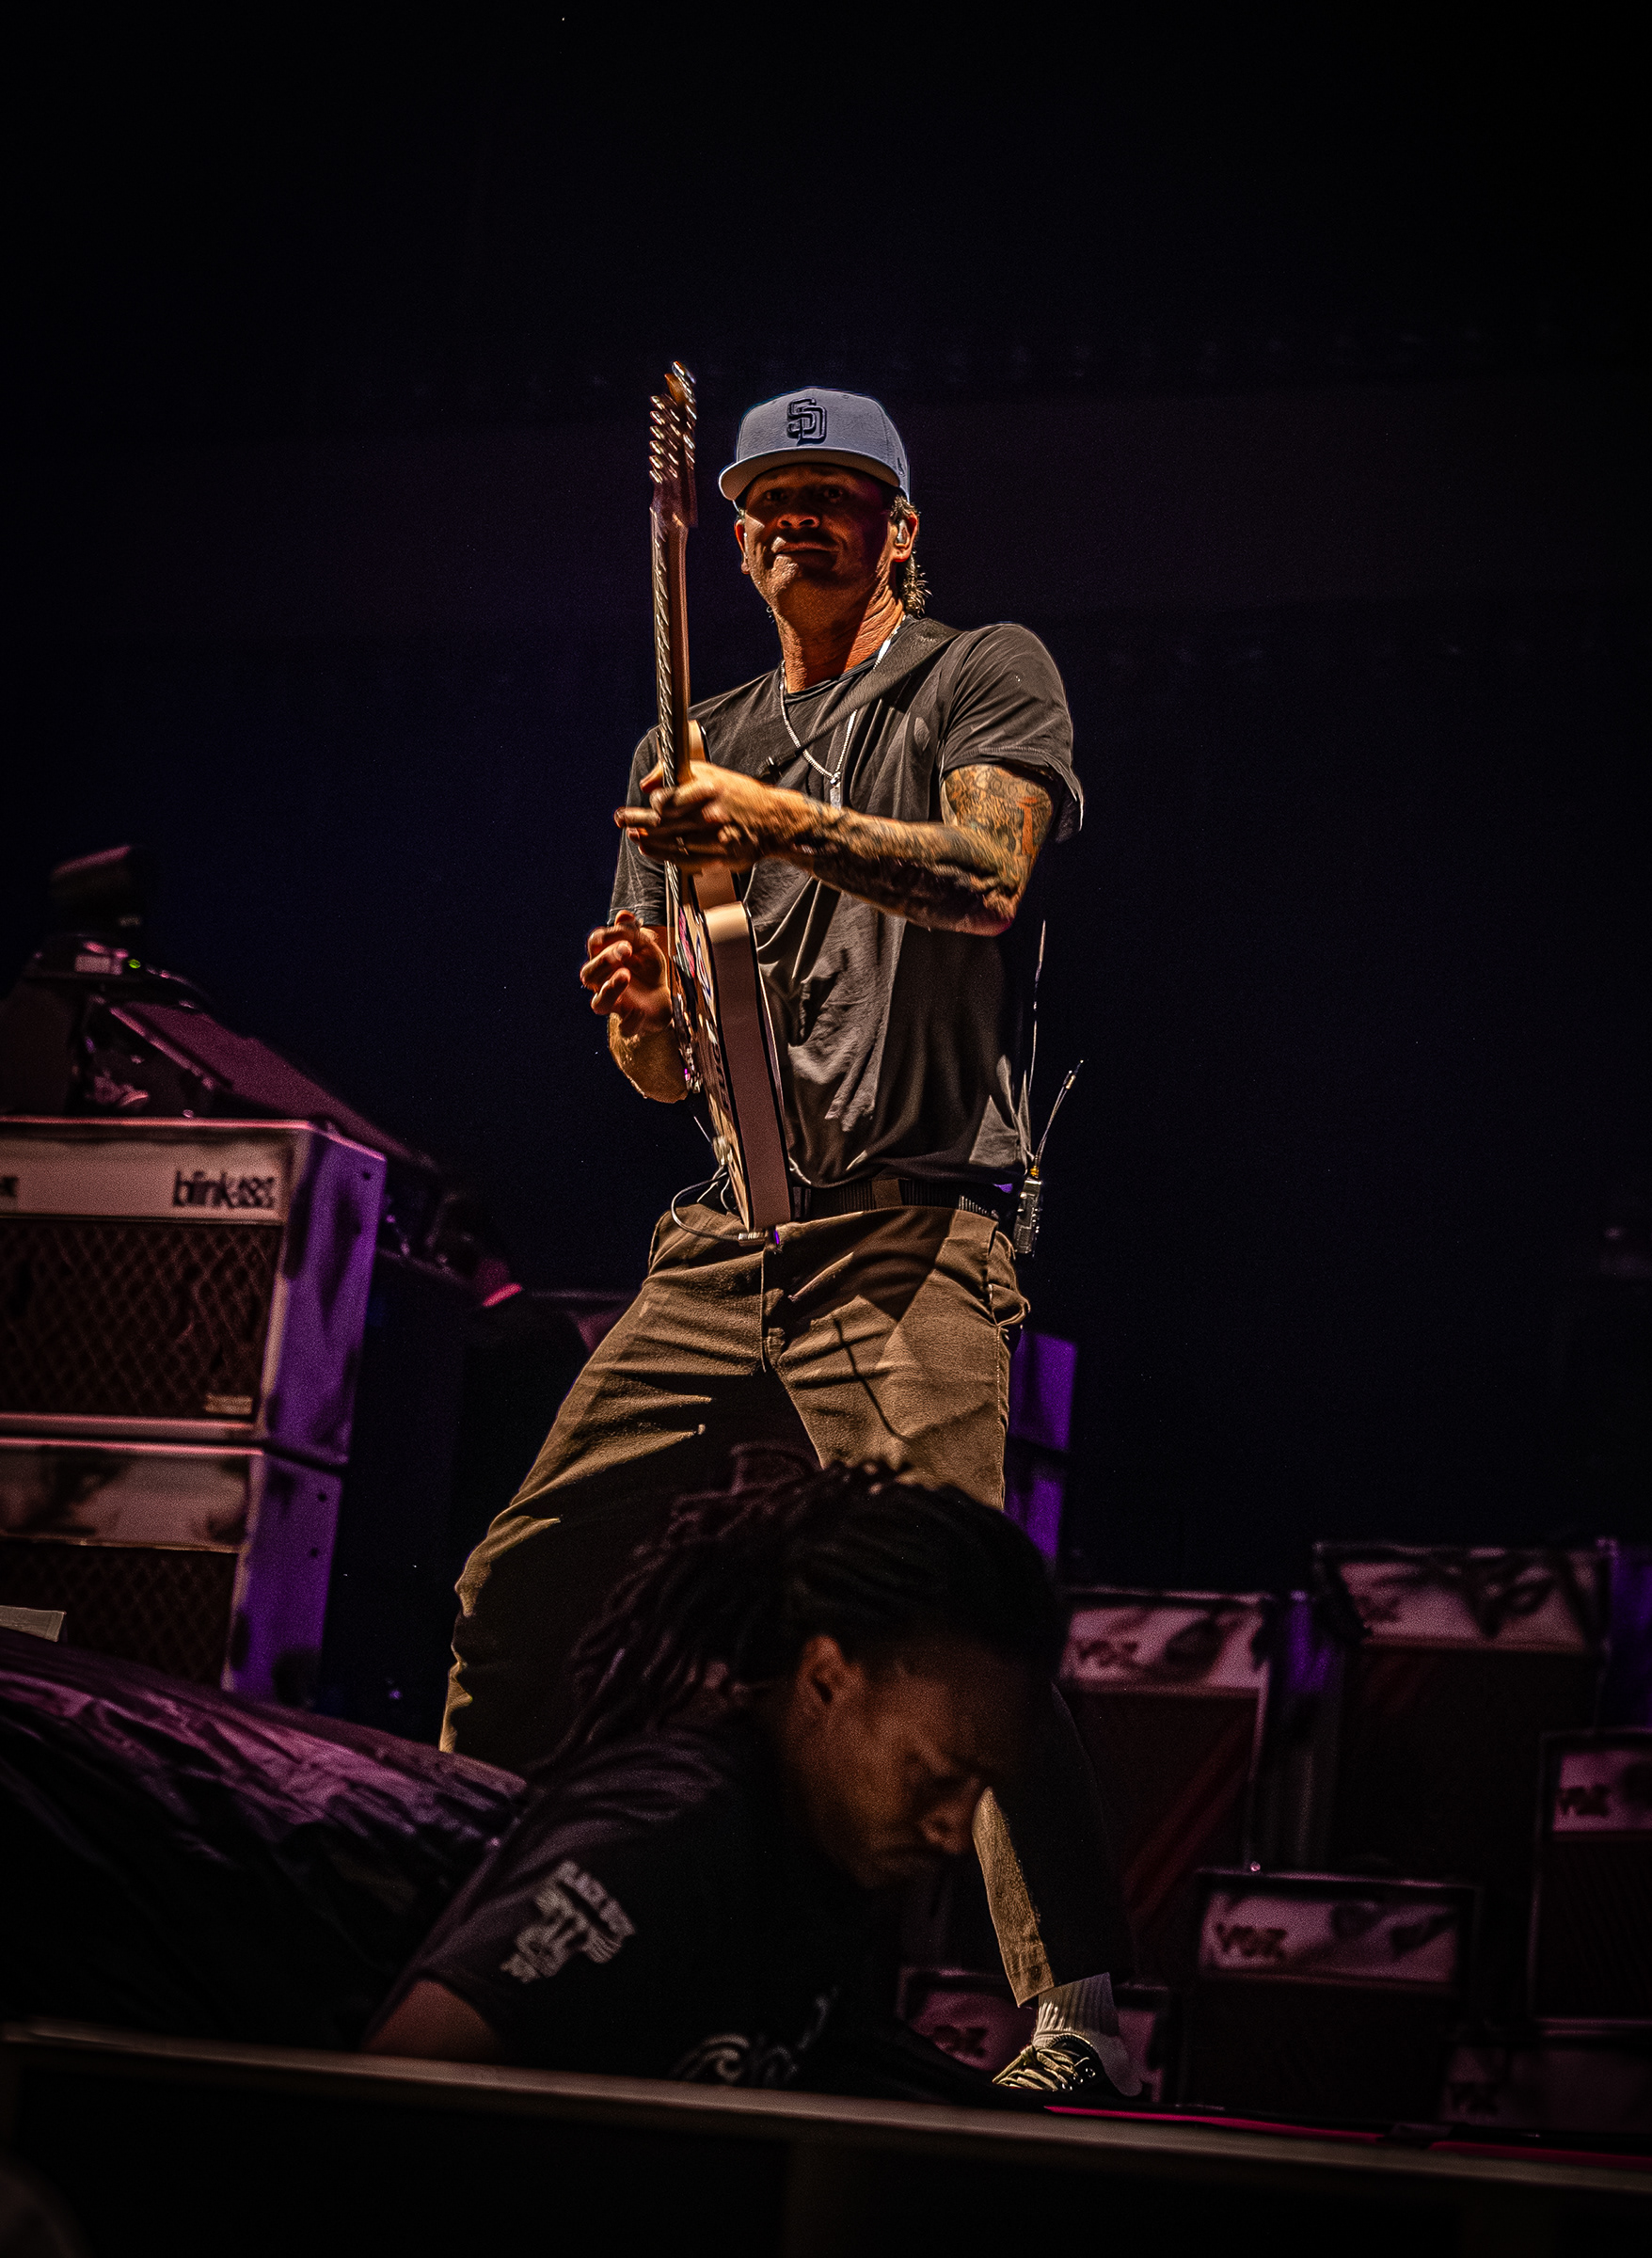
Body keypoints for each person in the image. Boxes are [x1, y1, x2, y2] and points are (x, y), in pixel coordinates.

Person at [442, 387, 1134, 2095]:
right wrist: (639, 1008)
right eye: (767, 498)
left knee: (956, 1609)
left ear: (902, 530)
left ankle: (1080, 2017)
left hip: (908, 1236)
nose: (791, 520)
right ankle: (460, 1917)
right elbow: (667, 1067)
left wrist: (767, 820)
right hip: (724, 1246)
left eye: (834, 494)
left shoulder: (978, 671)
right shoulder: (685, 737)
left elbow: (983, 875)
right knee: (521, 1585)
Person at [371, 1460, 1061, 2087]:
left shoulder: (831, 1863)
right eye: (934, 1775)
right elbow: (392, 2091)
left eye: (981, 1791)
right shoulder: (664, 1842)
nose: (953, 1832)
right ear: (825, 1680)